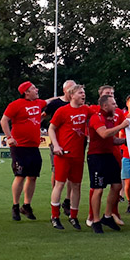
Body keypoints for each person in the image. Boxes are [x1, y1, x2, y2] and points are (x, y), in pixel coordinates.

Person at [48, 83, 97, 230]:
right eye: (80, 93)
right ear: (72, 95)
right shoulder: (62, 111)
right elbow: (51, 128)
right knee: (60, 184)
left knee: (76, 185)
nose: (83, 95)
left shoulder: (86, 110)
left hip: (78, 154)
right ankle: (55, 216)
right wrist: (56, 145)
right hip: (64, 154)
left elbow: (98, 115)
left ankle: (73, 216)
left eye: (83, 93)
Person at [0, 81, 48, 222]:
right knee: (20, 175)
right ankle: (15, 205)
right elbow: (4, 120)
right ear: (26, 92)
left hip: (34, 146)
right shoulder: (15, 104)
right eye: (34, 88)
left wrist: (66, 95)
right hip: (19, 146)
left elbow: (50, 101)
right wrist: (9, 137)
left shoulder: (38, 103)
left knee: (32, 176)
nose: (37, 89)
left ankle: (26, 205)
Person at [87, 94, 129, 233]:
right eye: (113, 103)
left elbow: (112, 139)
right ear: (105, 106)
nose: (116, 106)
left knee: (117, 186)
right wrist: (122, 126)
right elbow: (104, 134)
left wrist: (126, 141)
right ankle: (96, 220)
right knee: (98, 189)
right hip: (96, 157)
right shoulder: (97, 117)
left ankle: (107, 215)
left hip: (108, 155)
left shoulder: (110, 119)